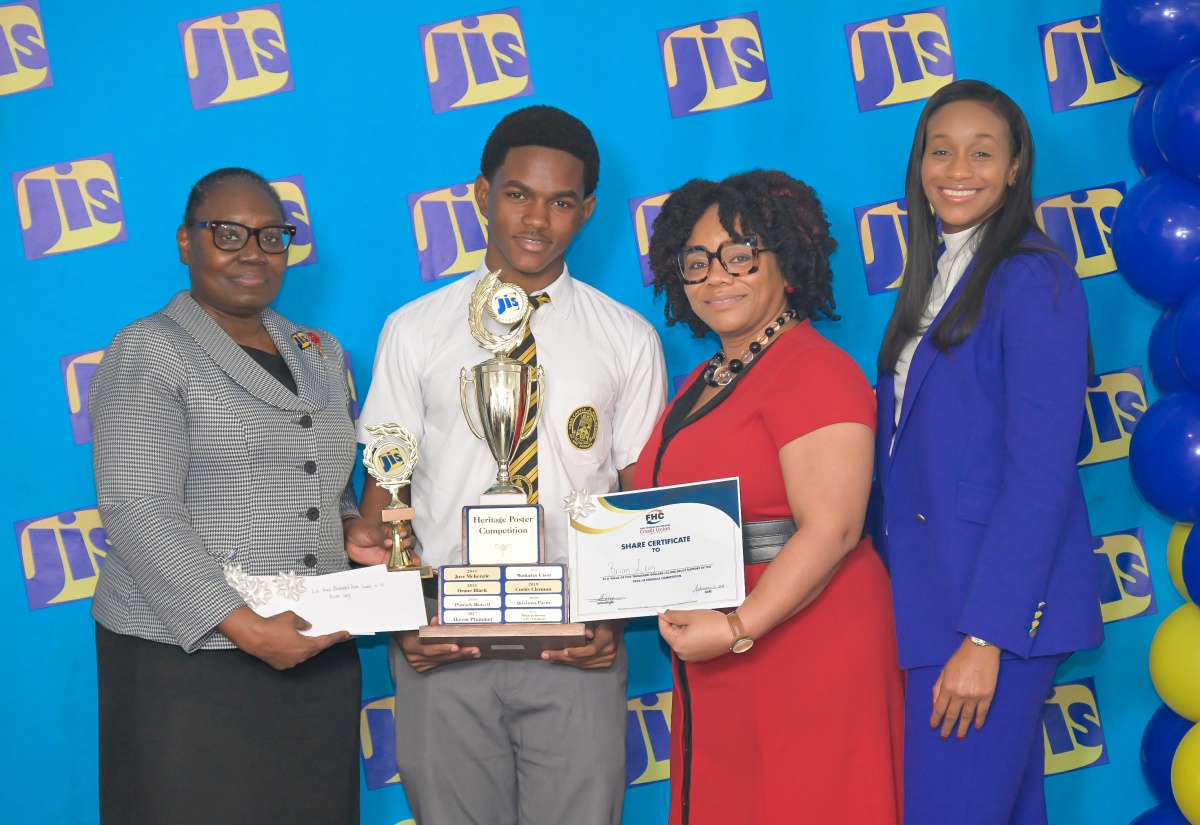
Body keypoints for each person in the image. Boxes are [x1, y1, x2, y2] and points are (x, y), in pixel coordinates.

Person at [358, 106, 667, 825]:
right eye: (518, 194)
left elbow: (641, 495)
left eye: (562, 201)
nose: (537, 219)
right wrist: (406, 620)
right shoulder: (414, 330)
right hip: (444, 641)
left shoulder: (625, 337)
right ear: (480, 195)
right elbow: (385, 486)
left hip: (576, 643)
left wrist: (615, 617)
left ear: (587, 211)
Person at [89, 167, 389, 825]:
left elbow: (316, 480)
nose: (252, 252)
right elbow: (139, 508)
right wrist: (245, 625)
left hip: (313, 650)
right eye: (227, 234)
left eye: (270, 236)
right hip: (190, 662)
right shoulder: (149, 349)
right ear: (185, 242)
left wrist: (346, 527)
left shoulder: (319, 351)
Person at [873, 80, 1104, 825]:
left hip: (987, 617)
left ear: (1014, 169)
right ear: (918, 164)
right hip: (932, 602)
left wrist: (987, 637)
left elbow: (1039, 474)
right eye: (940, 150)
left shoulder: (1031, 277)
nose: (957, 168)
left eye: (982, 151)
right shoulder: (936, 274)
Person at [642, 170, 904, 825]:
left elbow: (833, 529)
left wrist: (737, 627)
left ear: (787, 262)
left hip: (804, 639)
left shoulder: (813, 369)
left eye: (740, 254)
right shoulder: (704, 379)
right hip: (721, 644)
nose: (716, 275)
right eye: (696, 260)